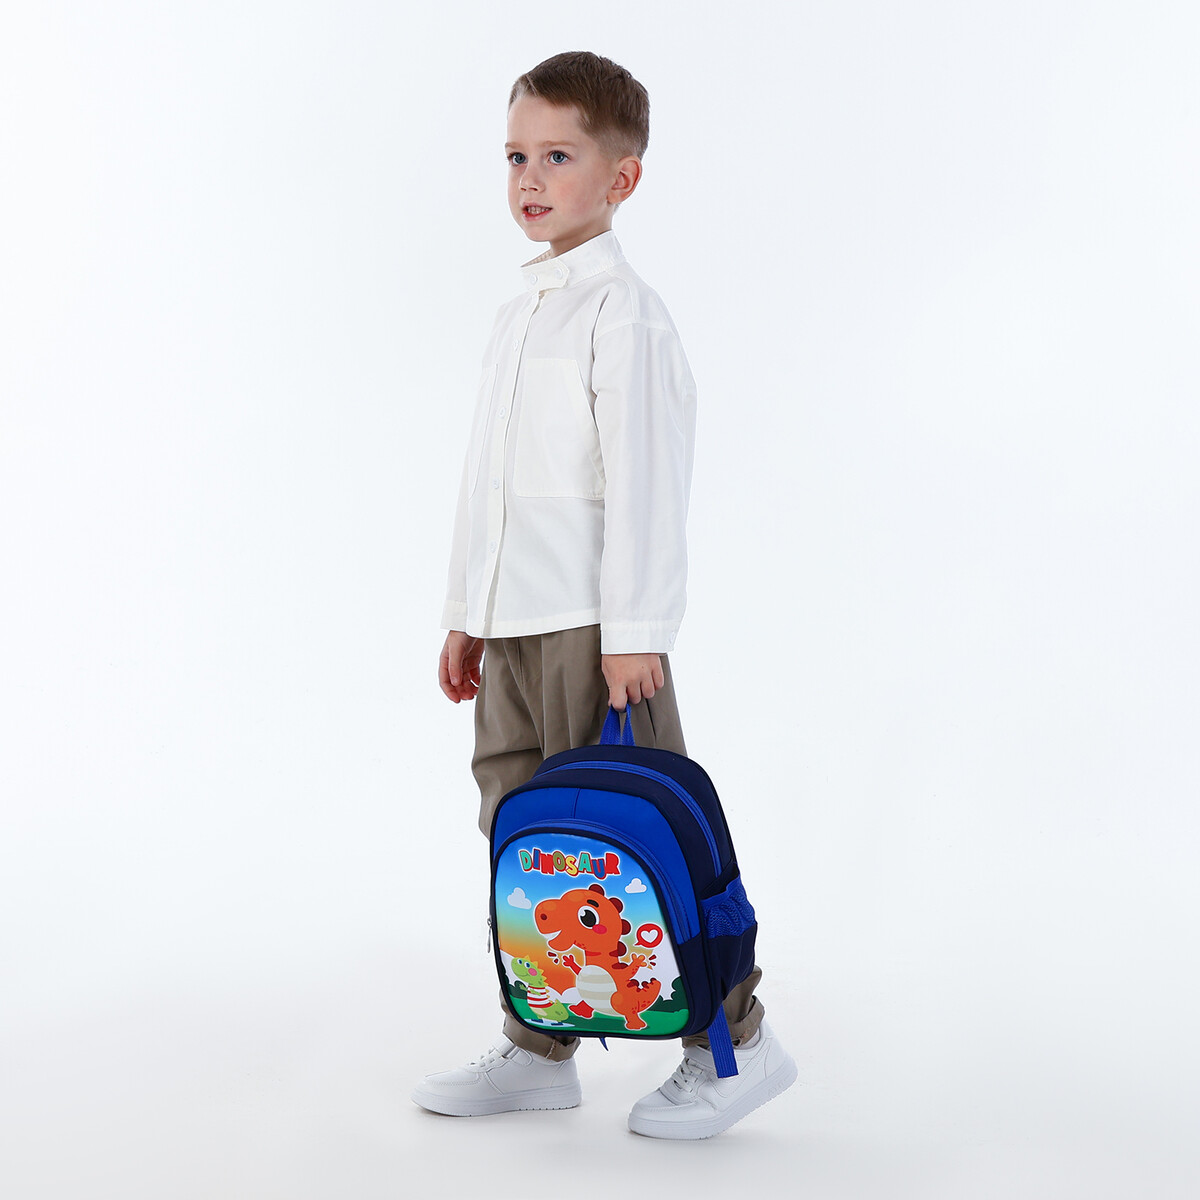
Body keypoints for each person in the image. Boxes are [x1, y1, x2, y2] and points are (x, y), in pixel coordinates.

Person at [411, 50, 795, 1139]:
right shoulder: (517, 315)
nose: (530, 178)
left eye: (558, 156)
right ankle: (541, 1044)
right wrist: (466, 611)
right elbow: (488, 481)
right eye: (515, 157)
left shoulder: (624, 314)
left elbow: (646, 482)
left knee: (640, 836)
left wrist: (635, 631)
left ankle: (734, 1042)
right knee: (527, 835)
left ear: (622, 178)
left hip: (594, 629)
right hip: (513, 624)